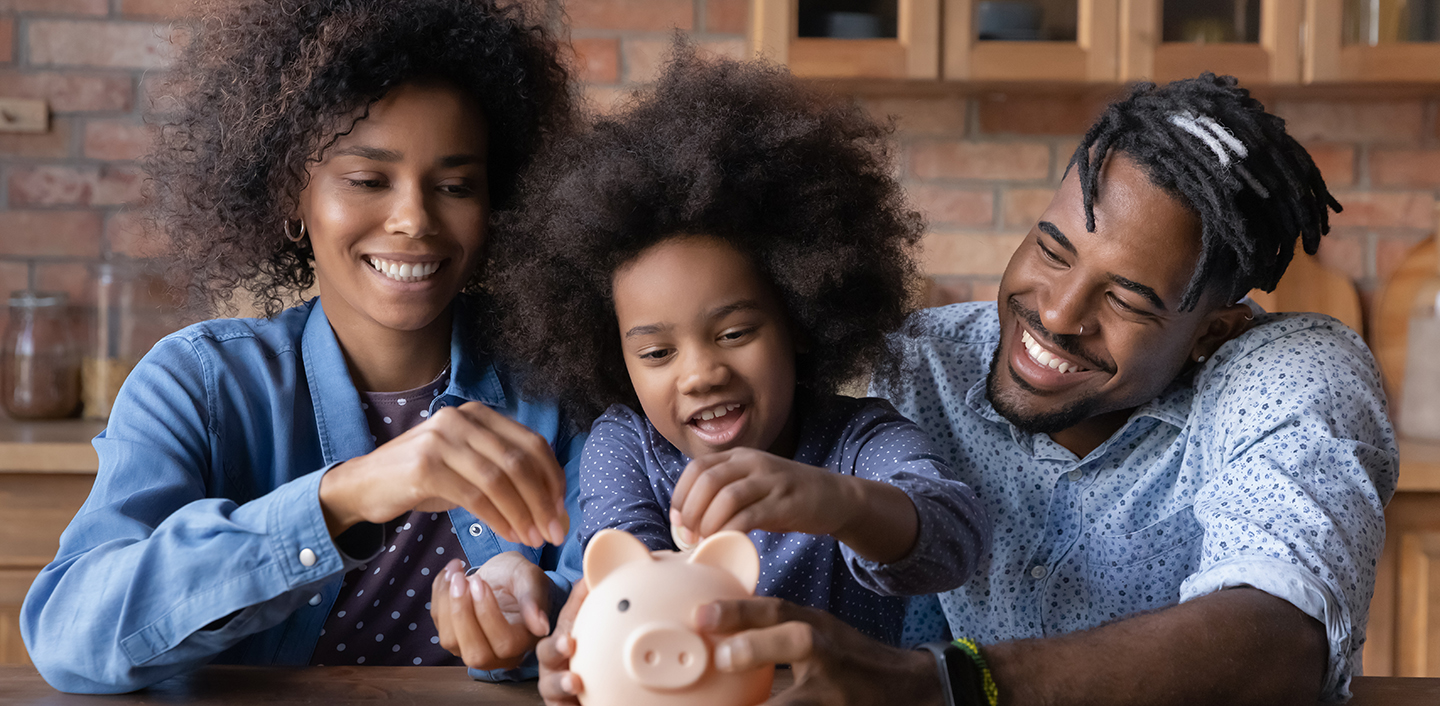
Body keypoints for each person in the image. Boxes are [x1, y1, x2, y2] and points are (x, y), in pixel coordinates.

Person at [538, 74, 1398, 706]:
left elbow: (1279, 643)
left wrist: (936, 684)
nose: (1056, 315)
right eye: (1053, 249)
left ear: (1216, 325)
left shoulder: (1289, 369)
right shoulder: (921, 364)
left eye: (1127, 300)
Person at [22, 0, 583, 693]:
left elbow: (629, 595)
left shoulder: (563, 383)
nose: (413, 218)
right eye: (368, 180)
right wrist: (347, 495)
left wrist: (540, 613)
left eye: (455, 185)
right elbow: (71, 634)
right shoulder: (198, 384)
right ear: (294, 195)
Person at [486, 46, 990, 649]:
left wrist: (836, 502)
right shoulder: (625, 446)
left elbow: (954, 544)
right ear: (612, 354)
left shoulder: (860, 442)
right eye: (656, 353)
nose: (700, 373)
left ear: (799, 318)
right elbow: (619, 567)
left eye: (733, 334)